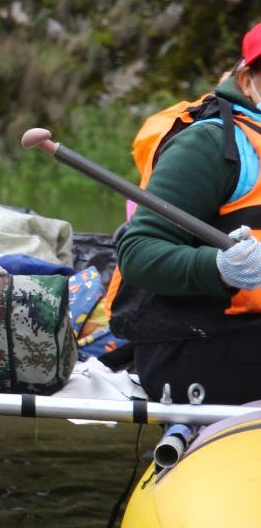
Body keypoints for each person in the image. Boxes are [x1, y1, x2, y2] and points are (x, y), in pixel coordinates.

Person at [112, 22, 261, 405]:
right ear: (246, 80)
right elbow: (138, 253)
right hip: (195, 345)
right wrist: (220, 267)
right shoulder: (210, 144)